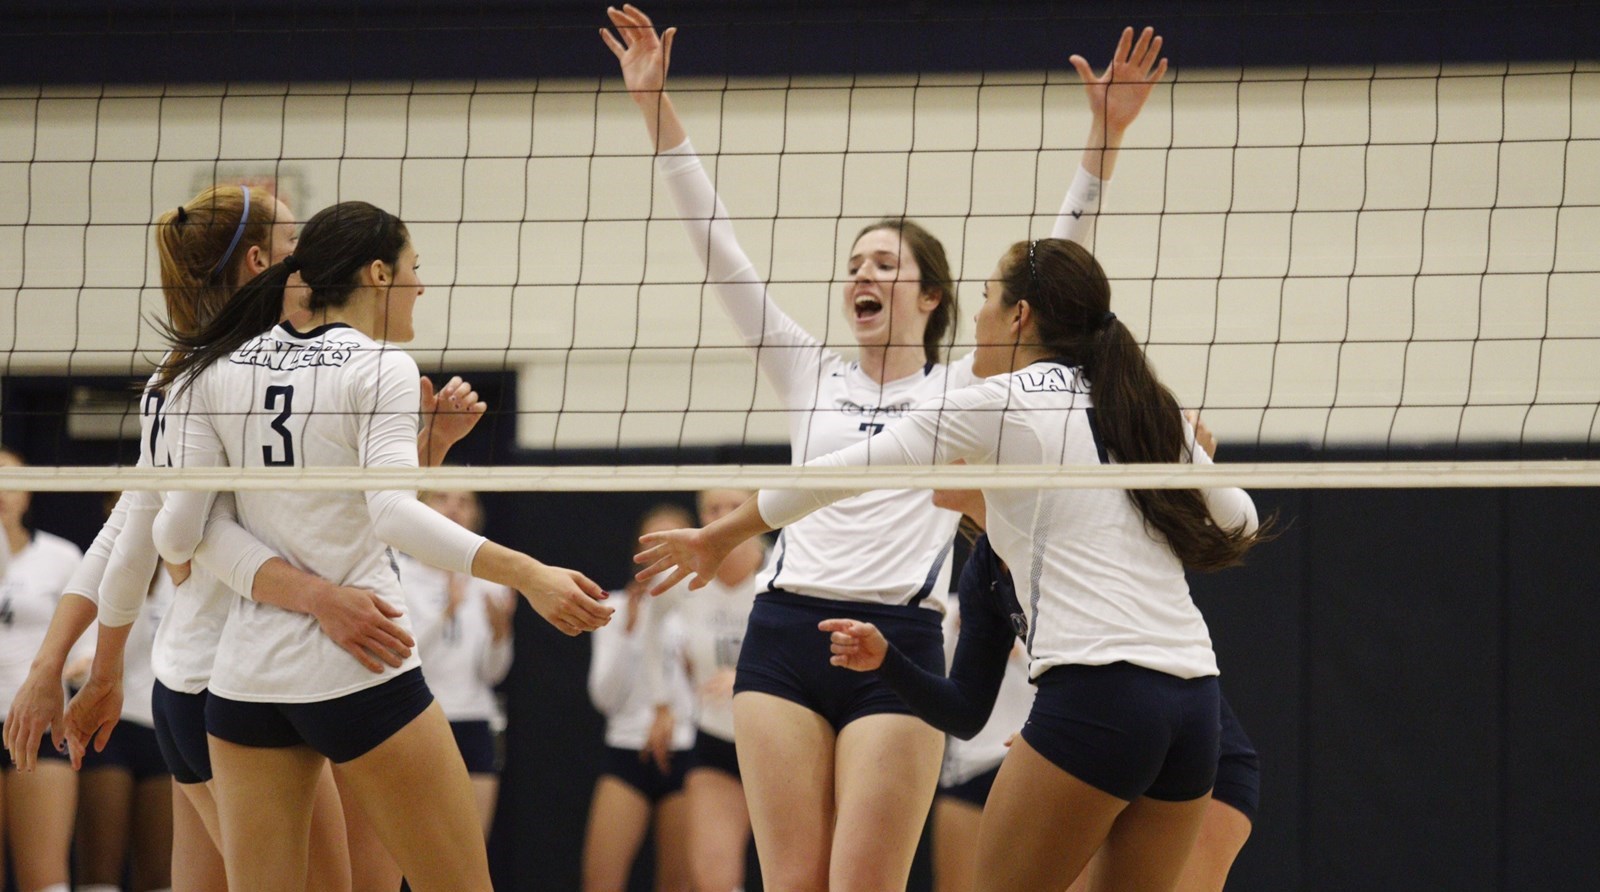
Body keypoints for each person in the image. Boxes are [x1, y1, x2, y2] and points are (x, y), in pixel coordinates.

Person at [603, 6, 1167, 886]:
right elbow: (721, 254)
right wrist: (656, 111)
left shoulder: (967, 394)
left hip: (897, 640)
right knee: (793, 882)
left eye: (883, 264)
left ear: (934, 296)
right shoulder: (807, 371)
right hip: (783, 629)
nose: (861, 274)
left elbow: (1052, 269)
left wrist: (1103, 139)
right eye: (854, 263)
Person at [636, 235, 1268, 891]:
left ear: (1020, 316)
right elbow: (1239, 521)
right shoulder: (1140, 404)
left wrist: (720, 534)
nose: (978, 317)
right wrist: (1193, 458)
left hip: (1100, 692)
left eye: (990, 300)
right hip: (1197, 705)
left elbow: (838, 475)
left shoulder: (996, 403)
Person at [142, 199, 611, 892]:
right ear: (378, 272)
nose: (421, 286)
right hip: (357, 667)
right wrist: (530, 573)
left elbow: (191, 534)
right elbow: (388, 516)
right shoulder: (381, 365)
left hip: (245, 680)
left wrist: (427, 451)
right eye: (415, 269)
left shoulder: (219, 367)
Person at [855, 485, 1260, 892]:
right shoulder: (986, 571)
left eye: (951, 442)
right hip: (1106, 745)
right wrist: (887, 660)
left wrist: (1189, 460)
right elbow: (964, 710)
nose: (934, 455)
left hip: (1198, 758)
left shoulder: (1073, 510)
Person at [647, 489, 762, 892]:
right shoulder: (685, 581)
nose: (724, 517)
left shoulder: (780, 576)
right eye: (713, 508)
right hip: (716, 740)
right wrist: (661, 705)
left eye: (736, 507)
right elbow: (653, 627)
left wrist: (750, 678)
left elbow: (815, 650)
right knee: (712, 881)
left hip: (778, 743)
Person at [582, 503, 698, 892]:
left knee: (678, 883)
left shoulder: (701, 609)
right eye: (654, 543)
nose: (662, 554)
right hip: (626, 748)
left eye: (673, 541)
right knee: (600, 880)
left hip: (683, 753)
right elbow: (604, 697)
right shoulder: (613, 606)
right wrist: (629, 634)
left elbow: (712, 697)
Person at [71, 494, 175, 892]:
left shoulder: (186, 567)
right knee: (99, 871)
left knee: (161, 875)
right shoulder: (101, 568)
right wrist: (82, 664)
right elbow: (84, 642)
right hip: (108, 730)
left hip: (164, 727)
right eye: (122, 510)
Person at [400, 489, 518, 838]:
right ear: (419, 509)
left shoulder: (490, 581)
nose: (454, 507)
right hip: (417, 720)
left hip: (474, 721)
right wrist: (445, 613)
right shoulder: (398, 574)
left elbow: (492, 674)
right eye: (442, 497)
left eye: (464, 501)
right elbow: (402, 660)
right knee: (410, 849)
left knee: (470, 851)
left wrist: (500, 635)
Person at [0, 448, 84, 892]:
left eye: (11, 480)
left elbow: (87, 643)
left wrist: (73, 672)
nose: (2, 492)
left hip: (36, 720)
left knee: (45, 877)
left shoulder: (60, 556)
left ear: (29, 492)